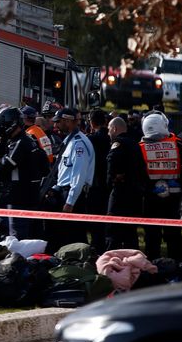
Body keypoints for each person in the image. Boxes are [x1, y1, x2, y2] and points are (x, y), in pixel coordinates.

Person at [0, 107, 49, 240]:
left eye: (2, 125)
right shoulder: (28, 140)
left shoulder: (21, 142)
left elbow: (3, 167)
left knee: (19, 239)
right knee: (32, 238)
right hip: (30, 195)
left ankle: (21, 260)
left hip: (21, 198)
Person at [139, 112, 182, 261]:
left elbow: (136, 171)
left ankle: (152, 267)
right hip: (173, 197)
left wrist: (144, 186)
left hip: (150, 199)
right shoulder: (176, 145)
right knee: (174, 235)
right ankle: (178, 266)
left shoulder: (141, 148)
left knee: (152, 236)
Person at [44, 108, 95, 251]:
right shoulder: (70, 141)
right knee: (63, 236)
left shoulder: (79, 144)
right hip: (65, 192)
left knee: (74, 237)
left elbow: (78, 176)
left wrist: (70, 202)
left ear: (68, 121)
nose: (55, 126)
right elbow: (65, 171)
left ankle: (80, 267)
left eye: (58, 122)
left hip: (73, 196)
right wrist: (55, 189)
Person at [105, 117, 145, 250]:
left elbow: (112, 162)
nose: (108, 133)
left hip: (120, 194)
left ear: (115, 129)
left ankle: (110, 261)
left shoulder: (118, 143)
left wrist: (112, 179)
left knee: (113, 230)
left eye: (109, 129)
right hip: (135, 195)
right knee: (130, 232)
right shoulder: (135, 143)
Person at [86, 109, 111, 252]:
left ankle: (96, 246)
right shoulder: (110, 137)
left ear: (91, 122)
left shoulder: (91, 139)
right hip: (107, 181)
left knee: (94, 218)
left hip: (94, 181)